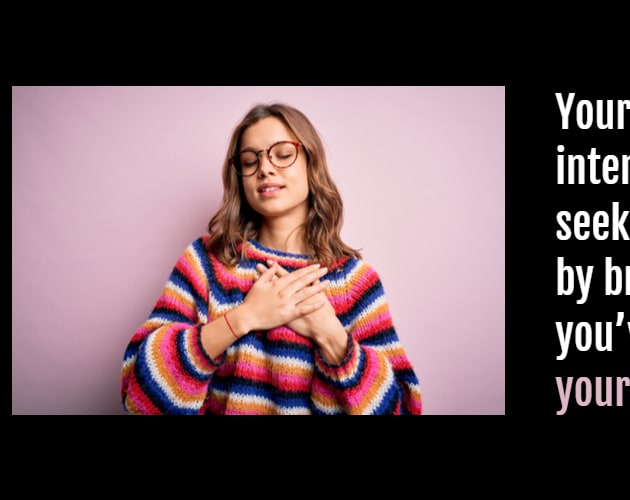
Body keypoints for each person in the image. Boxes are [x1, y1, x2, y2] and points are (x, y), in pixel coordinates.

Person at [120, 102, 422, 415]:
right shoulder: (208, 263)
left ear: (311, 162)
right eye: (250, 161)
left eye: (282, 154)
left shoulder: (354, 282)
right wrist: (245, 317)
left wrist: (331, 337)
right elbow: (139, 398)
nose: (264, 168)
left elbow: (402, 408)